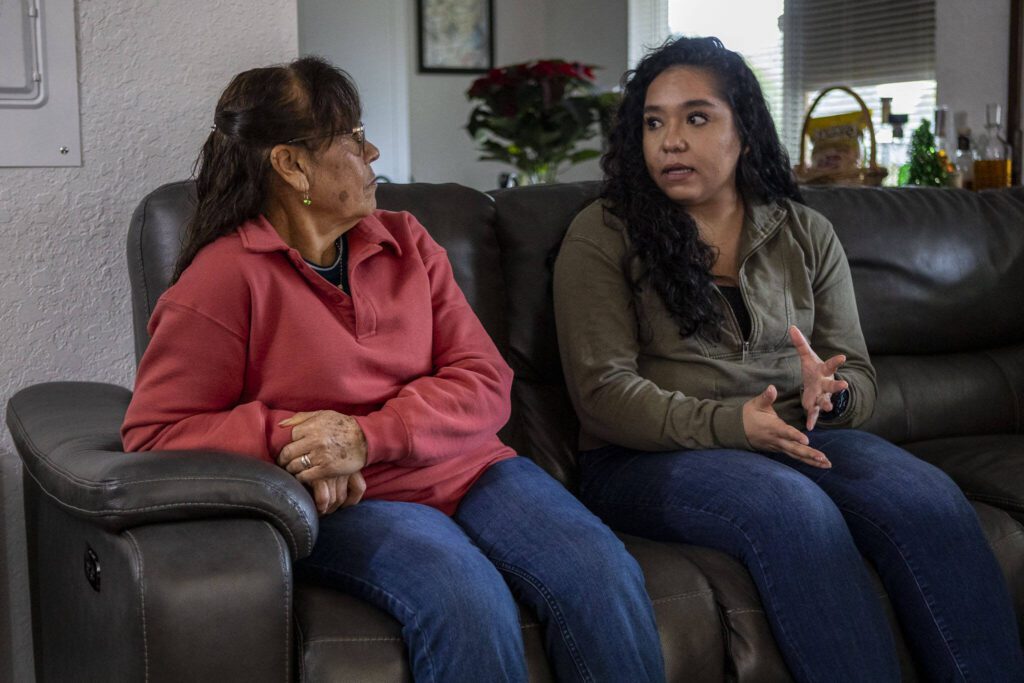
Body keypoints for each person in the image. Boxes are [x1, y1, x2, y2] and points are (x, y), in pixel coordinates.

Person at [121, 56, 665, 682]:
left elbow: (485, 380)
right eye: (352, 137)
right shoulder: (223, 278)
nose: (372, 150)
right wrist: (296, 443)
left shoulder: (407, 241)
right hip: (356, 501)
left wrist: (364, 437)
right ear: (291, 164)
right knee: (463, 596)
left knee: (600, 569)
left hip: (470, 469)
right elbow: (156, 433)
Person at [553, 36, 1024, 682]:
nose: (669, 140)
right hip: (645, 458)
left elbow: (857, 372)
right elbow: (603, 395)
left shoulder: (805, 233)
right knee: (793, 511)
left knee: (933, 500)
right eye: (653, 122)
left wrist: (836, 395)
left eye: (696, 117)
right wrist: (733, 425)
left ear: (743, 128)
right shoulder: (604, 232)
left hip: (795, 431)